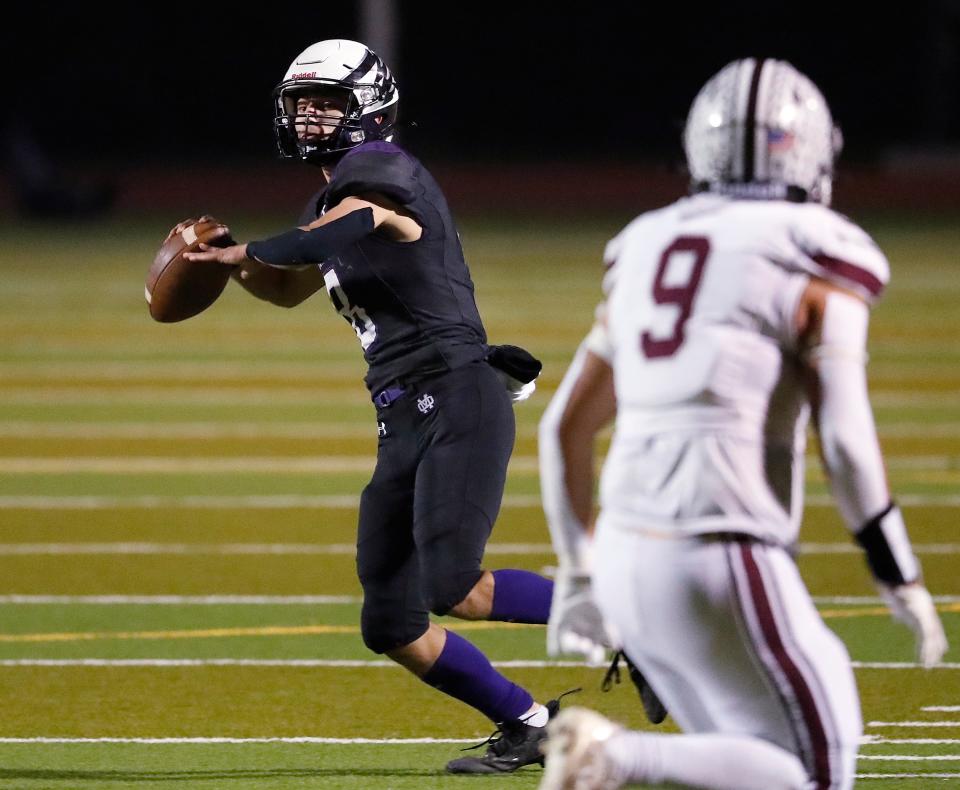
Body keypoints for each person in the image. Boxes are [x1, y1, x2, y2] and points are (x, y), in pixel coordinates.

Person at [537, 58, 948, 790]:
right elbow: (847, 442)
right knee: (820, 765)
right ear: (816, 148)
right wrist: (897, 572)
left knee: (744, 762)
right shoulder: (817, 246)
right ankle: (612, 757)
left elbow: (566, 425)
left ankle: (621, 760)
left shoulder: (647, 241)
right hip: (721, 548)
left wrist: (578, 568)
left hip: (628, 555)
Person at [176, 38, 564, 774]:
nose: (313, 119)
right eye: (303, 106)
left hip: (456, 394)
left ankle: (630, 614)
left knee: (456, 586)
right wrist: (234, 267)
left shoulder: (380, 170)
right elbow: (287, 284)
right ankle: (530, 724)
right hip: (404, 414)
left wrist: (254, 247)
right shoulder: (330, 198)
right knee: (391, 621)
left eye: (328, 104)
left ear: (371, 109)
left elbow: (355, 223)